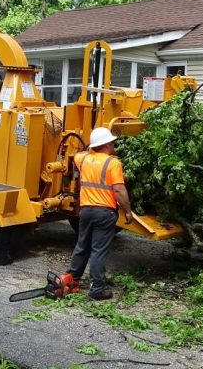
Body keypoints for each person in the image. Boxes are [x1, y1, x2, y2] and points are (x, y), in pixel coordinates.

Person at [67, 127, 133, 300]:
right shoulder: (113, 163)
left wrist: (92, 145)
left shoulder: (83, 160)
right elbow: (119, 190)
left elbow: (79, 153)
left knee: (82, 245)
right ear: (106, 145)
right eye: (111, 142)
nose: (113, 144)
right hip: (104, 212)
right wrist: (128, 211)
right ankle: (96, 289)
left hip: (86, 210)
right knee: (98, 250)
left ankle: (71, 279)